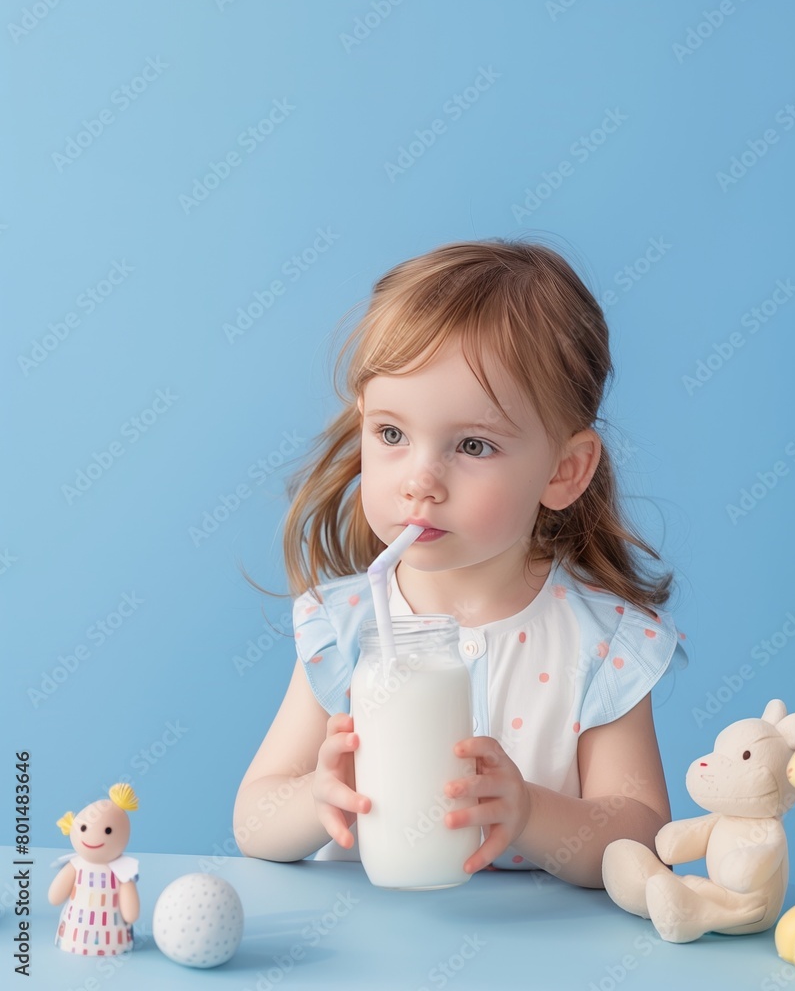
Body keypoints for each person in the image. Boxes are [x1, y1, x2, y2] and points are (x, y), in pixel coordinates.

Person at [234, 239, 686, 888]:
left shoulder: (600, 645)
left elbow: (644, 839)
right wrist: (313, 798)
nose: (422, 481)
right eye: (391, 435)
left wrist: (531, 811)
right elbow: (253, 819)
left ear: (563, 471)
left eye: (472, 445)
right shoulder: (345, 628)